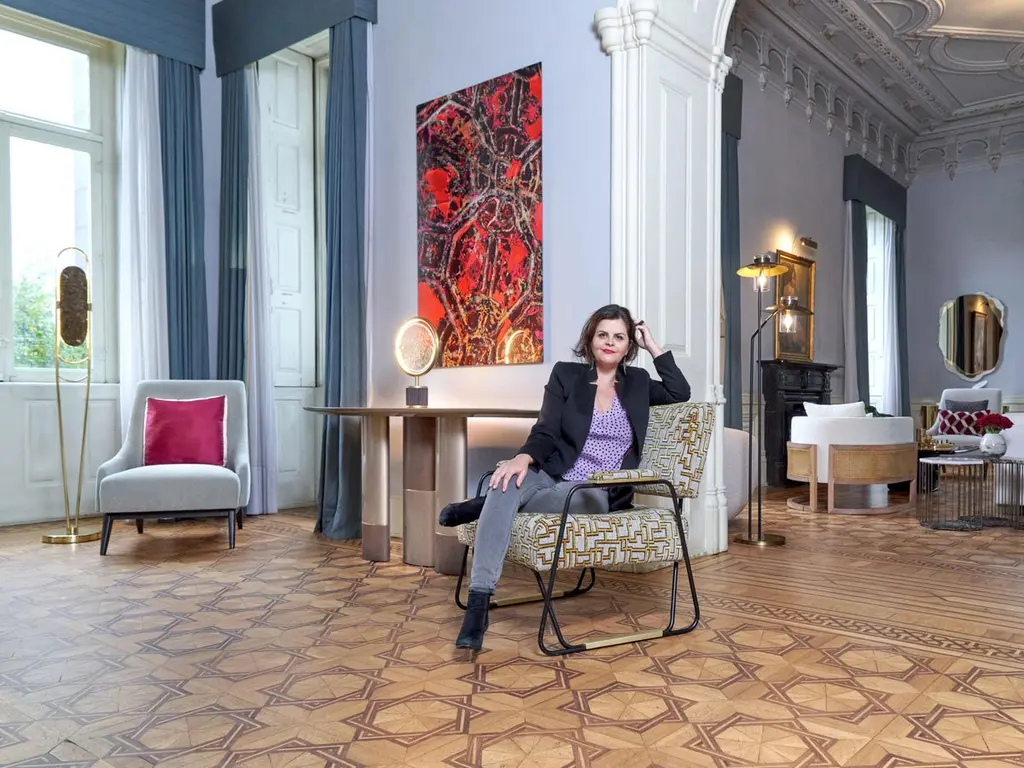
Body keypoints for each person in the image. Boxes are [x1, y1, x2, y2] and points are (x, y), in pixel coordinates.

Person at [439, 304, 691, 651]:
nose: (609, 342)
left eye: (619, 337)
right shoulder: (566, 375)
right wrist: (523, 458)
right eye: (602, 334)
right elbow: (545, 430)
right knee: (506, 480)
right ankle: (478, 607)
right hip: (552, 474)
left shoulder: (639, 383)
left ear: (628, 345)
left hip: (596, 489)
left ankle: (485, 506)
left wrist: (653, 346)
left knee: (507, 496)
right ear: (590, 339)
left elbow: (680, 391)